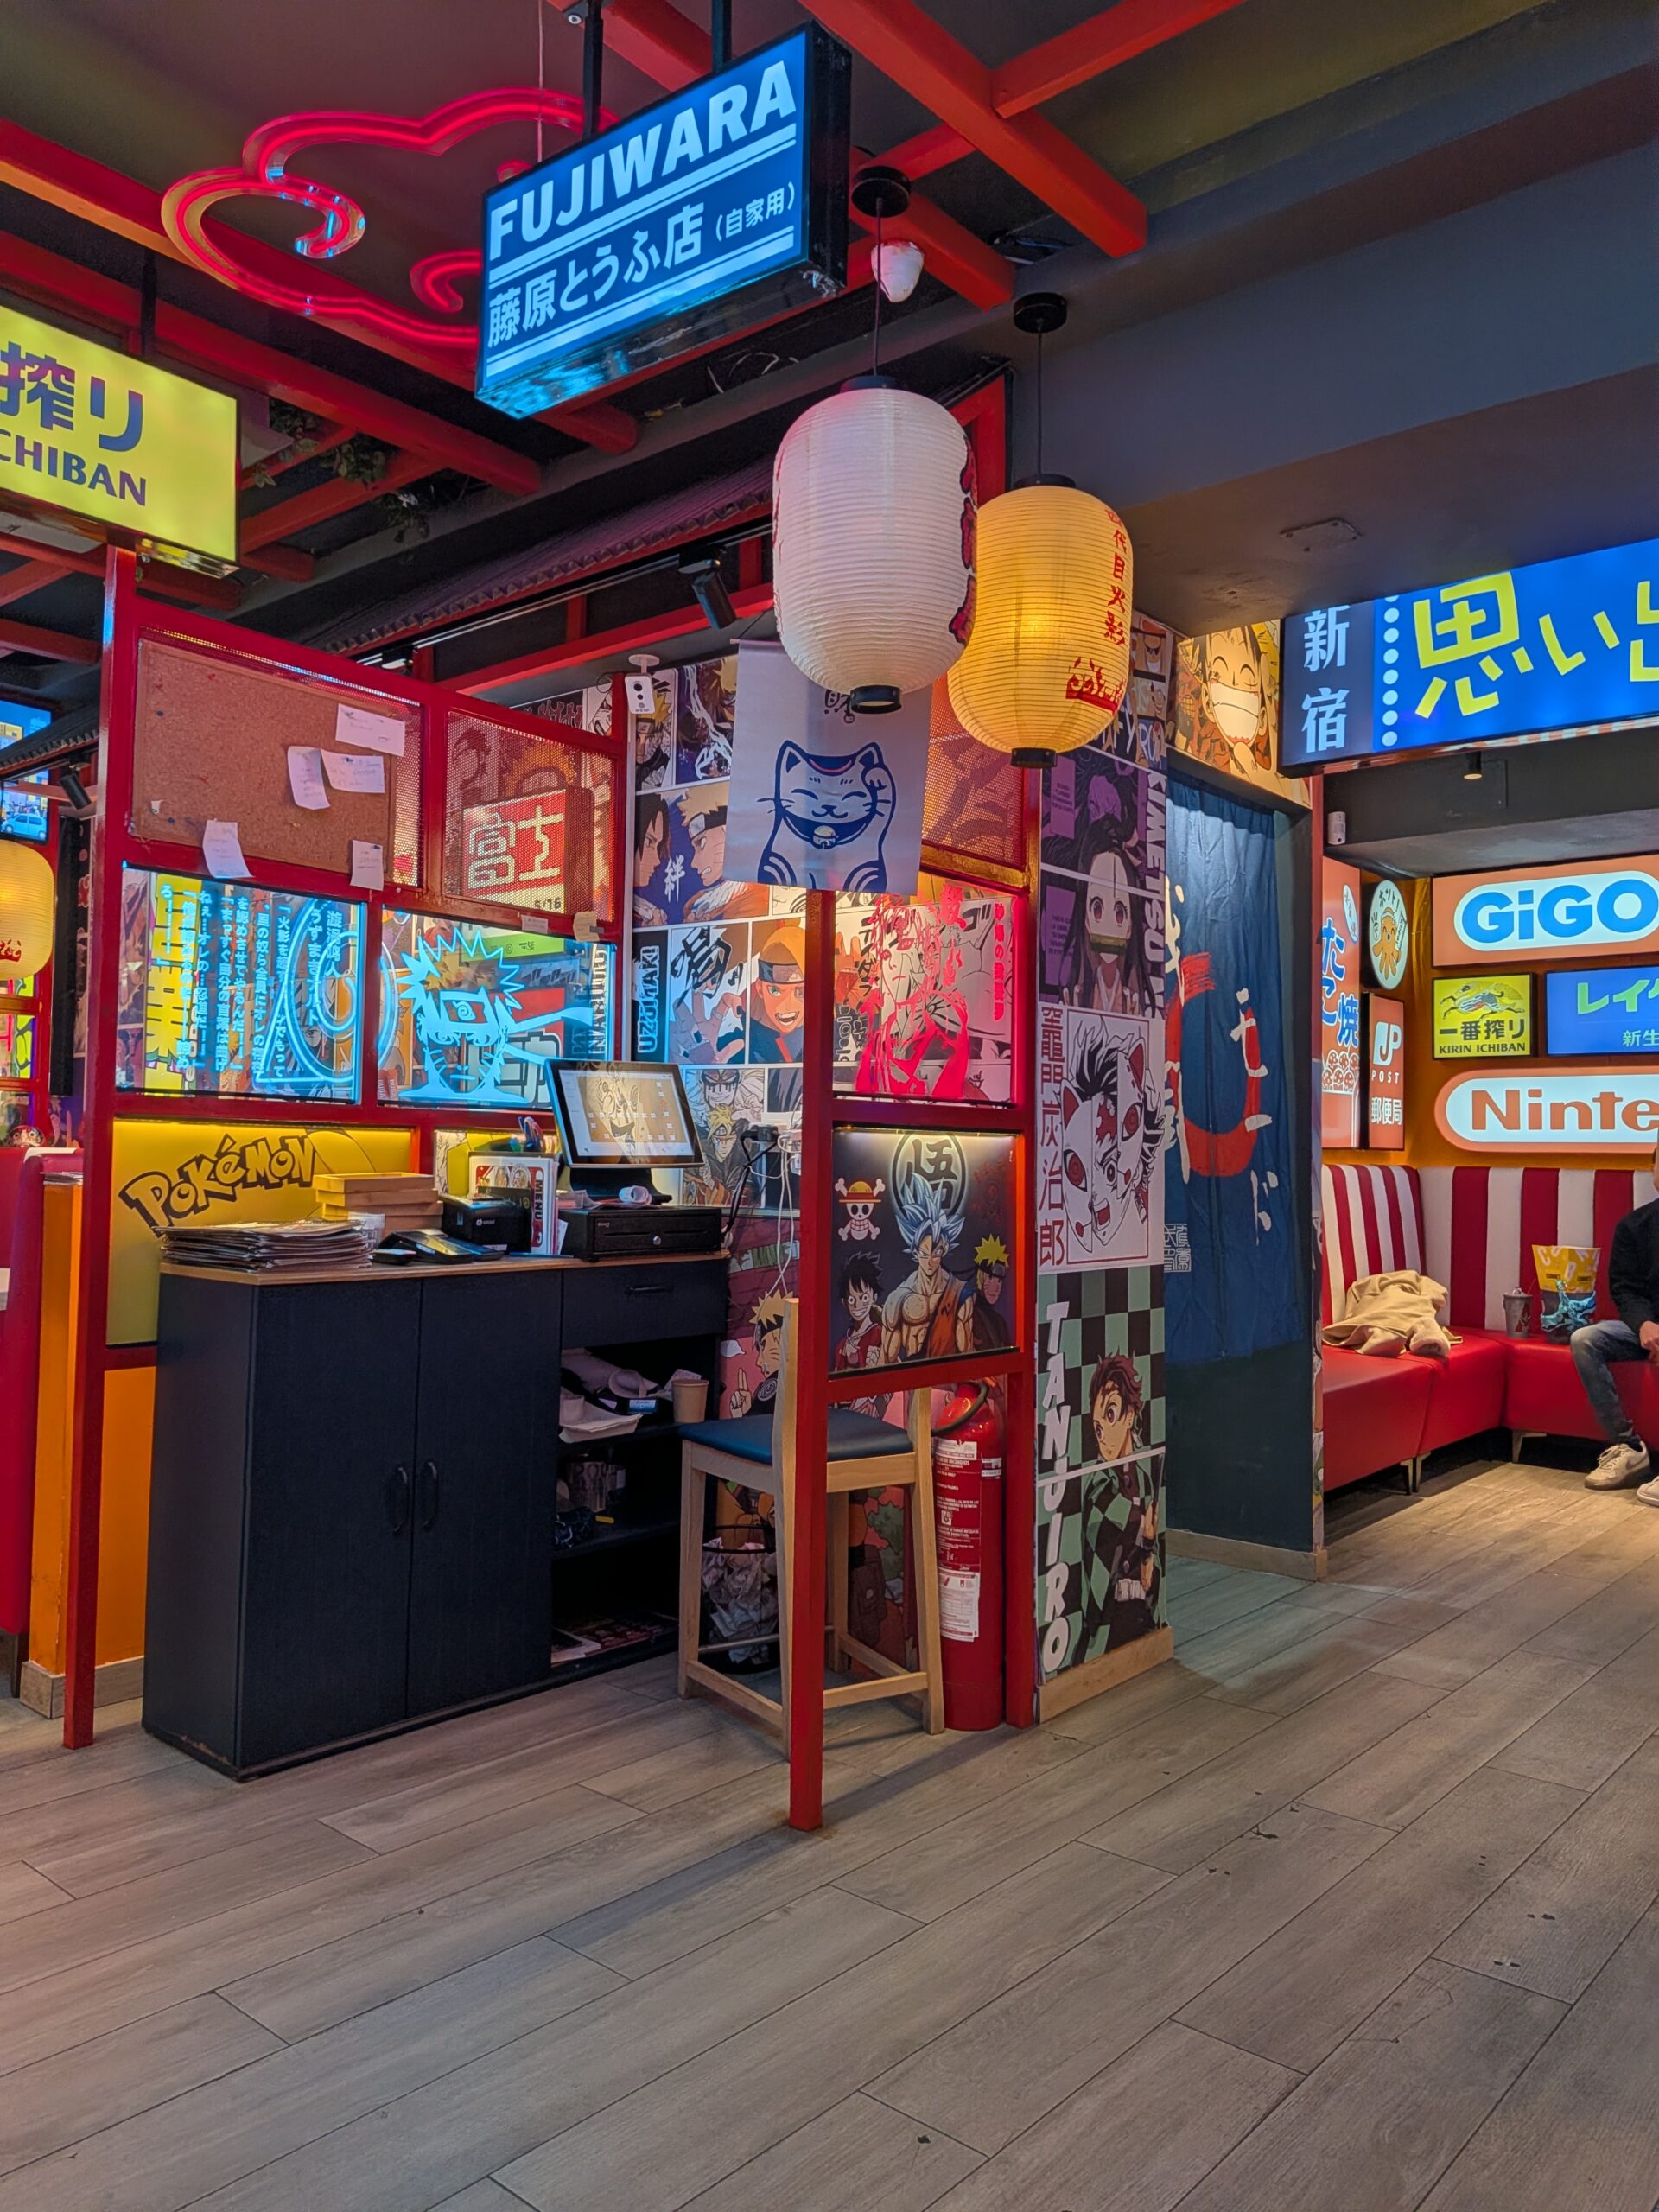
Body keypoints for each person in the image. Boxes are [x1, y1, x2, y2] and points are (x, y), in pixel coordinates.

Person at [1573, 1141, 1659, 1498]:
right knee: (1586, 1339)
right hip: (1644, 1327)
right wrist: (1645, 1326)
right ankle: (1629, 1448)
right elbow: (1624, 1289)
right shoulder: (1635, 1226)